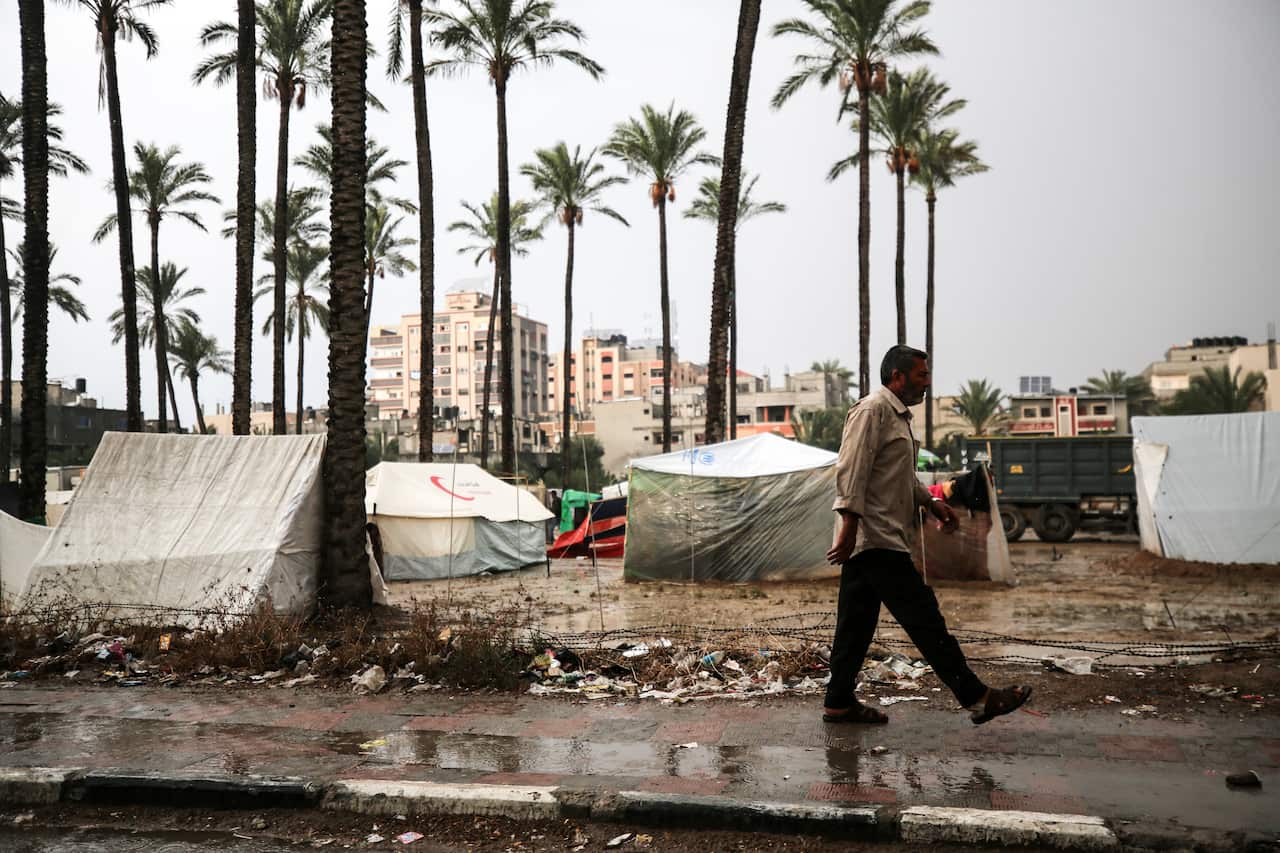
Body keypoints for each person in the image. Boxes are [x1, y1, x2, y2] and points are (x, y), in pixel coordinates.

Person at [823, 345, 1031, 725]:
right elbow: (852, 470)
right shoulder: (873, 410)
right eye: (921, 375)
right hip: (875, 539)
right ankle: (977, 698)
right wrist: (849, 526)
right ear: (897, 376)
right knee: (925, 619)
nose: (927, 382)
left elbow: (896, 476)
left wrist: (930, 502)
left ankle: (838, 702)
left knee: (855, 626)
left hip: (878, 537)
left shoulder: (898, 417)